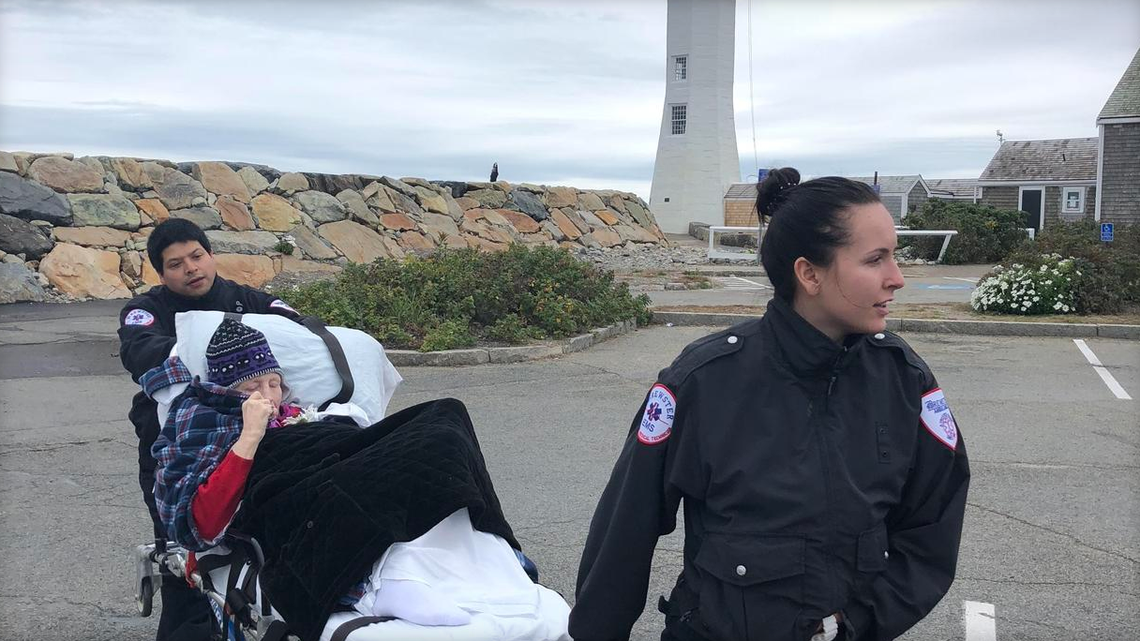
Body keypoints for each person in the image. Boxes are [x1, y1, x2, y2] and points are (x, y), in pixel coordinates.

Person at [569, 168, 970, 641]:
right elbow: (626, 527)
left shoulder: (904, 379)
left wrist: (856, 624)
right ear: (809, 273)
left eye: (894, 258)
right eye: (875, 260)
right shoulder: (703, 380)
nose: (896, 279)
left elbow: (932, 524)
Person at [145, 319, 568, 641]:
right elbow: (199, 525)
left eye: (275, 383)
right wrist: (250, 435)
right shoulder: (203, 421)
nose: (271, 394)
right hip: (287, 482)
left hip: (337, 453)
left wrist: (336, 425)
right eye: (255, 384)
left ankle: (498, 554)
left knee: (446, 417)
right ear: (226, 389)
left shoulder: (303, 412)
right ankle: (382, 586)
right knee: (361, 483)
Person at [118, 218, 301, 641]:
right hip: (180, 449)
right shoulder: (147, 311)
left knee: (258, 554)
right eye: (176, 264)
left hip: (260, 447)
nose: (191, 268)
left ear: (211, 255)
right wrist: (207, 349)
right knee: (188, 561)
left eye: (197, 256)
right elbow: (140, 352)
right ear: (161, 274)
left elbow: (296, 326)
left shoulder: (247, 300)